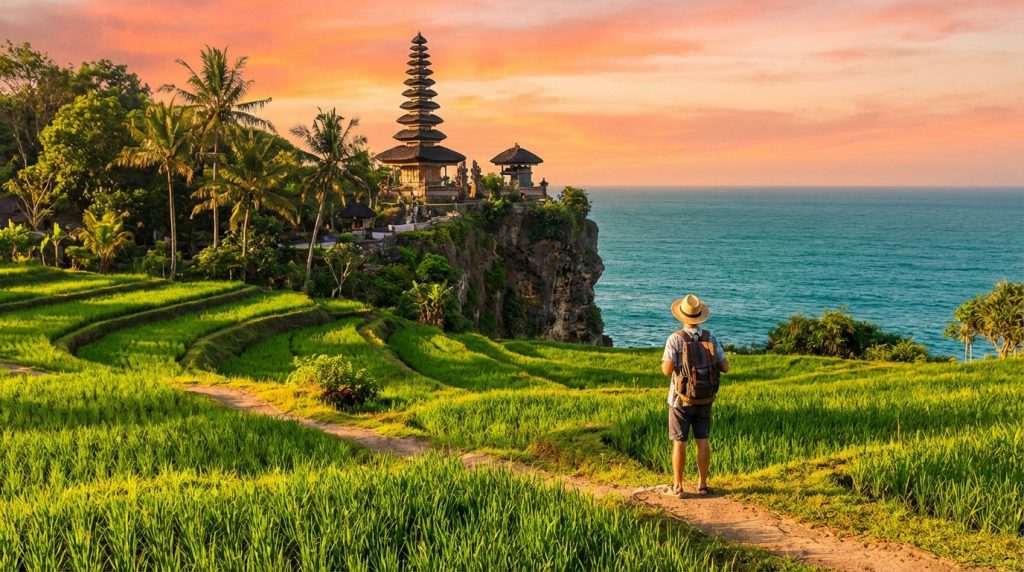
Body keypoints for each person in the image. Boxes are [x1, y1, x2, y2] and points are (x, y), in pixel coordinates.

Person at [661, 294, 729, 498]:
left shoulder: (675, 338)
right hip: (705, 398)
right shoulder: (710, 338)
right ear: (700, 317)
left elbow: (666, 370)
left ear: (682, 316)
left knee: (679, 441)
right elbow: (725, 367)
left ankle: (679, 486)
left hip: (679, 398)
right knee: (703, 439)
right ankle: (703, 485)